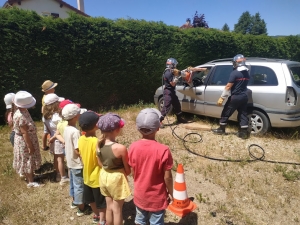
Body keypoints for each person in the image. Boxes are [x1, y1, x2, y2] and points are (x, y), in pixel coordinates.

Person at [128, 108, 174, 225]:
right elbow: (167, 177)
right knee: (156, 221)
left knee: (140, 220)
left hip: (140, 194)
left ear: (138, 128)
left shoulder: (133, 147)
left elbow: (133, 172)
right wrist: (171, 193)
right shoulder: (163, 150)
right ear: (158, 128)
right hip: (157, 197)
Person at [96, 113, 131, 225]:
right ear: (116, 130)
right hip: (116, 179)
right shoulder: (120, 148)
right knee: (117, 210)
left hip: (104, 176)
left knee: (109, 206)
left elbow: (99, 163)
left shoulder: (98, 144)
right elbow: (128, 170)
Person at [212, 54, 250, 139]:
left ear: (237, 63)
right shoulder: (246, 73)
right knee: (243, 113)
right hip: (244, 96)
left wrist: (222, 97)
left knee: (226, 111)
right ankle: (243, 133)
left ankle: (221, 129)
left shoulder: (235, 73)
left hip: (235, 96)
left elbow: (228, 86)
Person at [78, 111, 106, 225]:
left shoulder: (81, 139)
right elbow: (100, 162)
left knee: (91, 200)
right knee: (102, 203)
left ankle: (96, 214)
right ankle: (102, 220)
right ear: (96, 125)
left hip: (86, 176)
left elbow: (80, 154)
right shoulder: (96, 142)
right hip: (97, 178)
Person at [62, 103, 90, 216]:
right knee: (79, 185)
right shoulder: (75, 132)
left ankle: (74, 202)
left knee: (73, 183)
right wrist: (84, 158)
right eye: (79, 114)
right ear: (75, 117)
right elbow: (77, 150)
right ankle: (81, 208)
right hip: (77, 163)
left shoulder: (66, 128)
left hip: (70, 161)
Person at [13, 91, 43, 188]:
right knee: (27, 159)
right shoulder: (21, 116)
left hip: (27, 139)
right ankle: (30, 181)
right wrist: (30, 146)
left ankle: (32, 176)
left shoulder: (22, 111)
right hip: (25, 141)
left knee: (29, 158)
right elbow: (24, 132)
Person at [43, 93, 70, 185]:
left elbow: (47, 129)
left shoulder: (45, 117)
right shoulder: (58, 116)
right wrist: (55, 137)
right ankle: (63, 177)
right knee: (60, 159)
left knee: (56, 157)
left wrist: (51, 137)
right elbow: (60, 129)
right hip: (59, 139)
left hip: (52, 139)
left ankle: (58, 173)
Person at [41, 80, 58, 151]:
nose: (54, 89)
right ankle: (45, 145)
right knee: (47, 132)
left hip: (47, 117)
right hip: (49, 117)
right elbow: (43, 108)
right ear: (49, 90)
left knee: (47, 132)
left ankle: (45, 145)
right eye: (53, 88)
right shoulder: (47, 98)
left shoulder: (45, 96)